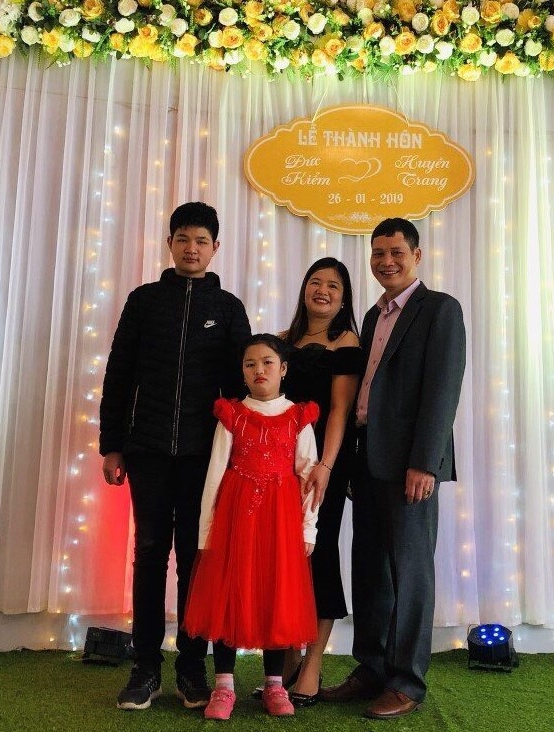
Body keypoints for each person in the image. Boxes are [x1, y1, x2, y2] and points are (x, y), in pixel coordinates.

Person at [99, 202, 251, 711]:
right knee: (148, 554)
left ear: (215, 248)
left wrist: (241, 453)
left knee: (195, 559)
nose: (191, 248)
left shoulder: (228, 309)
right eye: (183, 238)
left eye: (201, 240)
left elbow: (239, 389)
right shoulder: (144, 301)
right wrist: (112, 444)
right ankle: (145, 668)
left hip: (204, 458)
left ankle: (190, 667)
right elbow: (119, 374)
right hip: (146, 450)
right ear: (169, 243)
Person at [320, 218, 466, 719]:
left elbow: (442, 391)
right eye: (378, 253)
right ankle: (372, 668)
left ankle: (406, 682)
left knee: (410, 573)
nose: (386, 261)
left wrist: (425, 462)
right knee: (369, 570)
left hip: (410, 465)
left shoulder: (440, 309)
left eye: (396, 252)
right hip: (368, 459)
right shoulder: (372, 314)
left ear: (416, 255)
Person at [183, 334, 320, 720]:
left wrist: (308, 529)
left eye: (267, 362)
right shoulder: (232, 414)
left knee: (276, 594)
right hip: (235, 519)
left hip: (281, 522)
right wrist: (206, 531)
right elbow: (215, 474)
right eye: (250, 364)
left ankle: (275, 684)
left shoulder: (298, 417)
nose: (259, 370)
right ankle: (223, 685)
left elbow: (308, 477)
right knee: (229, 594)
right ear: (242, 372)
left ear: (283, 369)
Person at [276, 257, 362, 706]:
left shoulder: (345, 341)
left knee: (320, 553)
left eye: (333, 285)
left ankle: (312, 663)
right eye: (315, 281)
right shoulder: (282, 340)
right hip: (280, 464)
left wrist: (326, 467)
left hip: (323, 464)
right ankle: (288, 658)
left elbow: (340, 411)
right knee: (288, 559)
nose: (322, 290)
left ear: (344, 298)